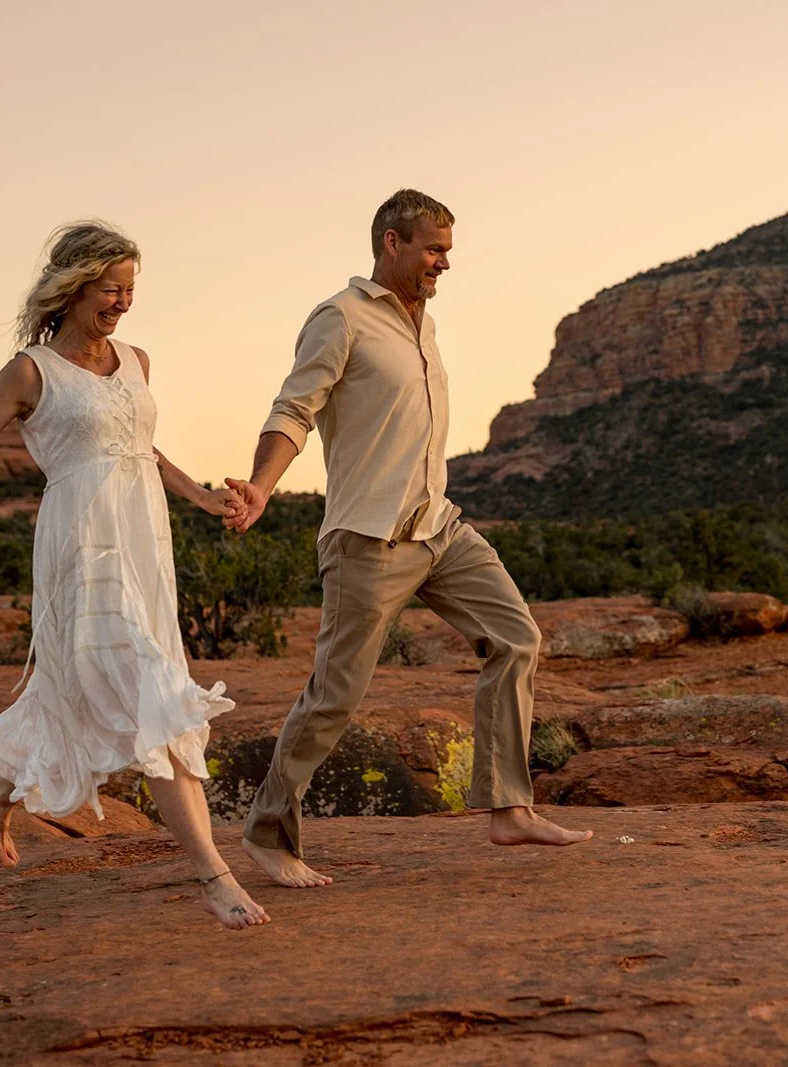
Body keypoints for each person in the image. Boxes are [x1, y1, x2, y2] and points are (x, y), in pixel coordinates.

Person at [227, 189, 591, 889]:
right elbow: (294, 409)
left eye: (448, 251)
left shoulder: (424, 324)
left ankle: (509, 808)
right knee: (334, 696)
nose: (444, 264)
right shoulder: (341, 318)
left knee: (517, 636)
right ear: (391, 242)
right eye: (433, 248)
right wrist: (263, 485)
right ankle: (267, 832)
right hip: (369, 539)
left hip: (439, 526)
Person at [0, 222, 270, 930]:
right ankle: (214, 873)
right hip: (82, 544)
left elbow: (142, 448)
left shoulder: (137, 359)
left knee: (100, 690)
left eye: (131, 289)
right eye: (112, 288)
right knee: (155, 693)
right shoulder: (32, 372)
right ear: (73, 285)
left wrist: (204, 495)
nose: (124, 302)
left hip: (145, 543)